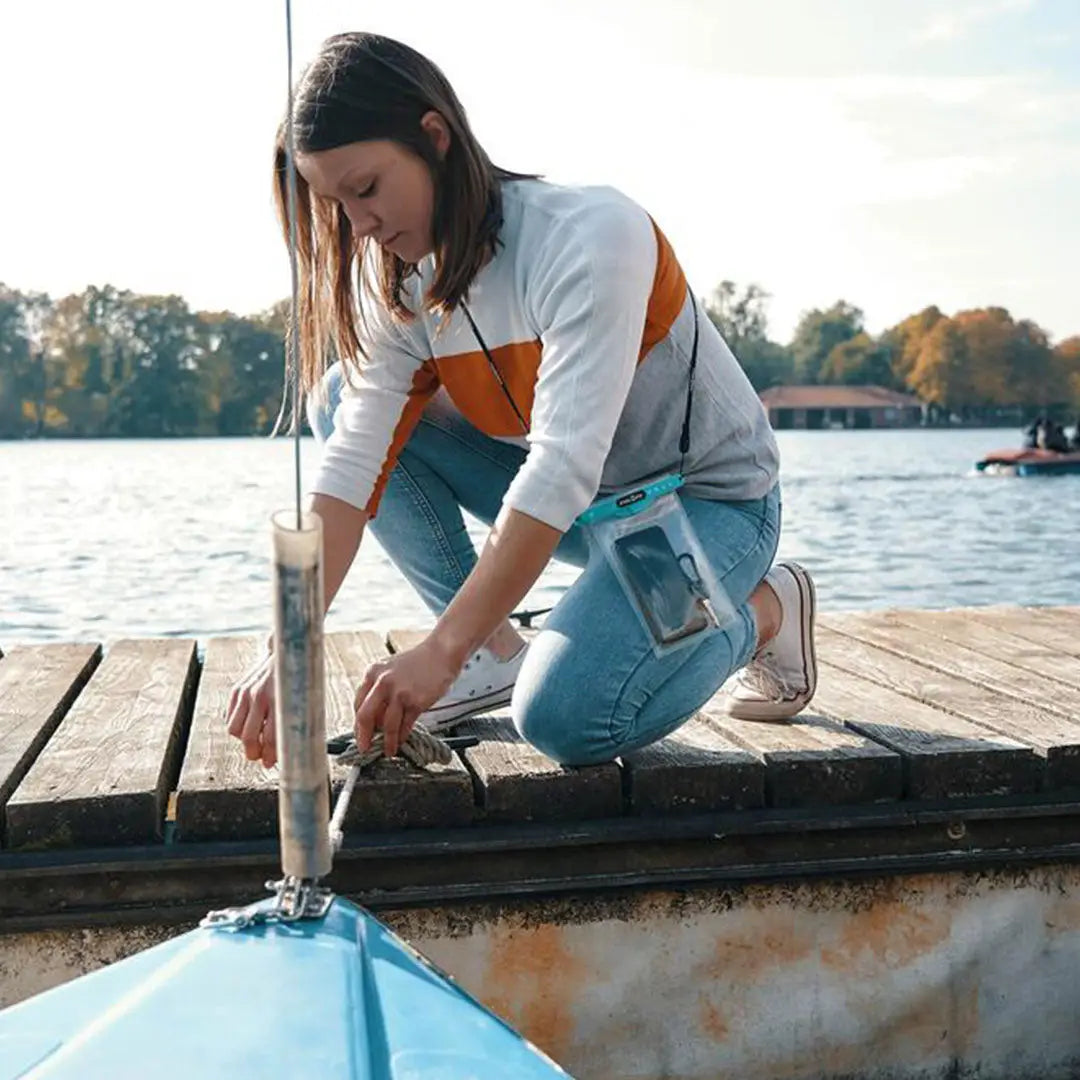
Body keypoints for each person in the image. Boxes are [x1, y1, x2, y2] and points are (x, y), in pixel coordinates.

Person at [226, 32, 818, 770]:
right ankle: (492, 649)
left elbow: (560, 468)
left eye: (367, 188)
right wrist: (289, 644)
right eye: (336, 204)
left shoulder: (590, 236)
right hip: (585, 516)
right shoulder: (401, 285)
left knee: (567, 719)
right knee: (340, 397)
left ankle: (766, 611)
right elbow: (350, 471)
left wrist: (438, 653)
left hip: (705, 507)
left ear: (434, 137)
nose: (360, 225)